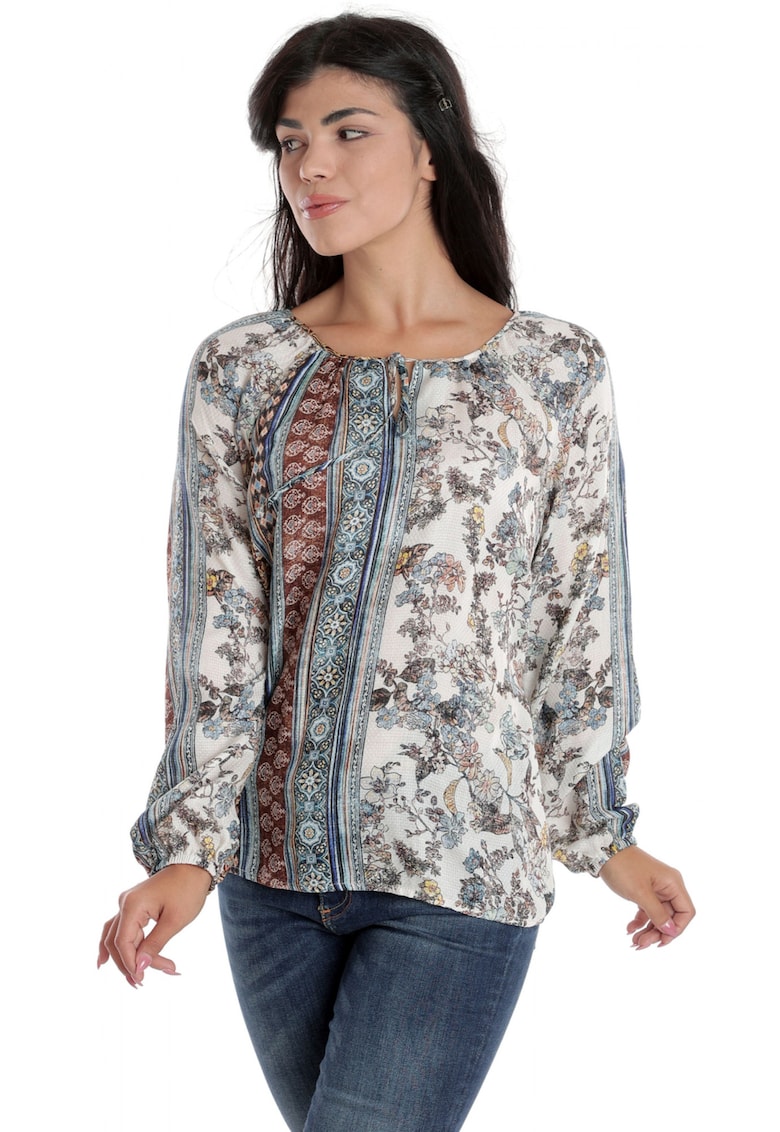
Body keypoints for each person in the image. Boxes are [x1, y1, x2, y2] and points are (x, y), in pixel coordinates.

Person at [98, 13, 694, 1132]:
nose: (310, 167)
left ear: (431, 146)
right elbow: (216, 626)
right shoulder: (242, 368)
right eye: (290, 142)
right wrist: (187, 851)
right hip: (271, 881)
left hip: (463, 863)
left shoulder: (555, 369)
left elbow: (579, 615)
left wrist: (601, 833)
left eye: (348, 131)